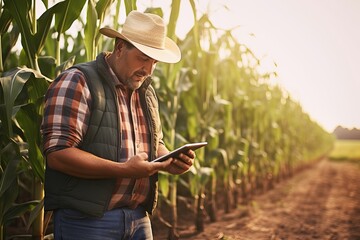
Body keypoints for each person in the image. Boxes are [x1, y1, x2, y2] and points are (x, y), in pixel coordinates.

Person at [41, 10, 195, 240]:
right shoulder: (78, 81)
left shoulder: (146, 92)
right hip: (87, 222)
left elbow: (155, 145)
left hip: (139, 219)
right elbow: (58, 153)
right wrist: (124, 170)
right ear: (120, 47)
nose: (149, 70)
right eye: (143, 58)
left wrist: (170, 160)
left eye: (154, 61)